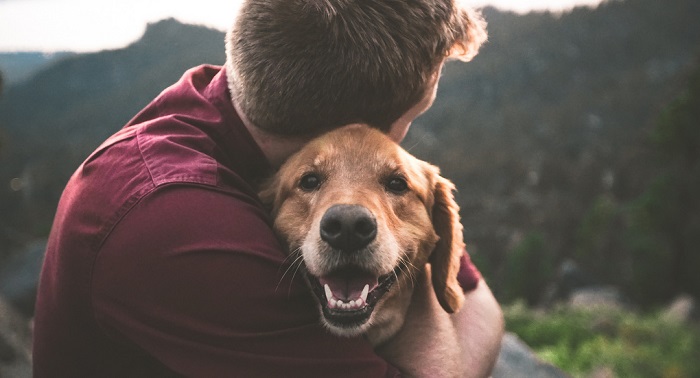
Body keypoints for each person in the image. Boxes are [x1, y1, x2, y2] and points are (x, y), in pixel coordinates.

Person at [33, 0, 503, 376]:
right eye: (411, 119)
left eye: (393, 175)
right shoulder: (175, 223)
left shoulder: (234, 103)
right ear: (353, 126)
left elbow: (478, 303)